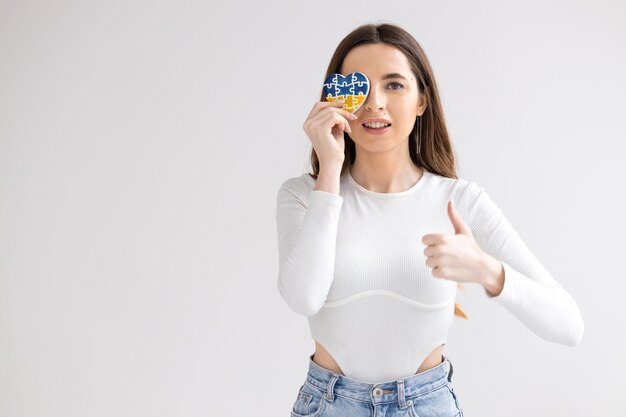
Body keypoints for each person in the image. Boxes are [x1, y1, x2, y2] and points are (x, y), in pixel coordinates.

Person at [275, 22, 584, 417]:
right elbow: (303, 297)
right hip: (328, 405)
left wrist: (487, 270)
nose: (375, 103)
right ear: (337, 98)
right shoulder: (303, 196)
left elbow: (568, 326)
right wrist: (330, 171)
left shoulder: (461, 200)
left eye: (394, 85)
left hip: (426, 405)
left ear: (422, 99)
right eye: (359, 86)